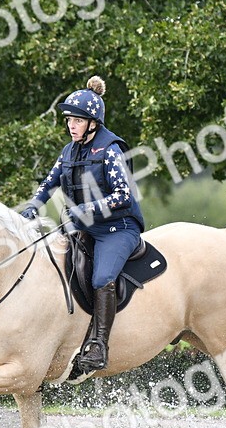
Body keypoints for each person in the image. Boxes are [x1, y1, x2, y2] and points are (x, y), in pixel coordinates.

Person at [20, 75, 145, 374]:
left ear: (93, 123)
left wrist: (85, 210)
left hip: (117, 229)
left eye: (77, 121)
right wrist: (32, 206)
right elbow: (49, 183)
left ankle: (99, 345)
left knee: (102, 278)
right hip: (82, 228)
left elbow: (123, 196)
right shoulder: (69, 151)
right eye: (69, 121)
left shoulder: (111, 150)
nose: (71, 126)